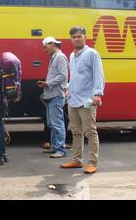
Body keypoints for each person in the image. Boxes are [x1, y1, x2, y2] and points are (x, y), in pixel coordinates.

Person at [60, 27, 105, 174]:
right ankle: (77, 160)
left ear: (85, 37)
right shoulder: (72, 55)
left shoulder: (92, 54)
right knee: (75, 131)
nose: (77, 39)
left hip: (87, 99)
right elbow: (73, 76)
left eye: (79, 36)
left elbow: (98, 74)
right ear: (70, 39)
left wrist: (98, 94)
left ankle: (93, 162)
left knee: (90, 132)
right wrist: (67, 89)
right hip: (73, 99)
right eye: (74, 37)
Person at [38, 37, 69, 158]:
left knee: (57, 123)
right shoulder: (54, 57)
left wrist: (48, 84)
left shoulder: (60, 57)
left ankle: (60, 150)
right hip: (51, 94)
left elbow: (63, 76)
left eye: (46, 46)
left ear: (53, 44)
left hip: (56, 95)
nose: (44, 50)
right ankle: (55, 147)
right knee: (52, 123)